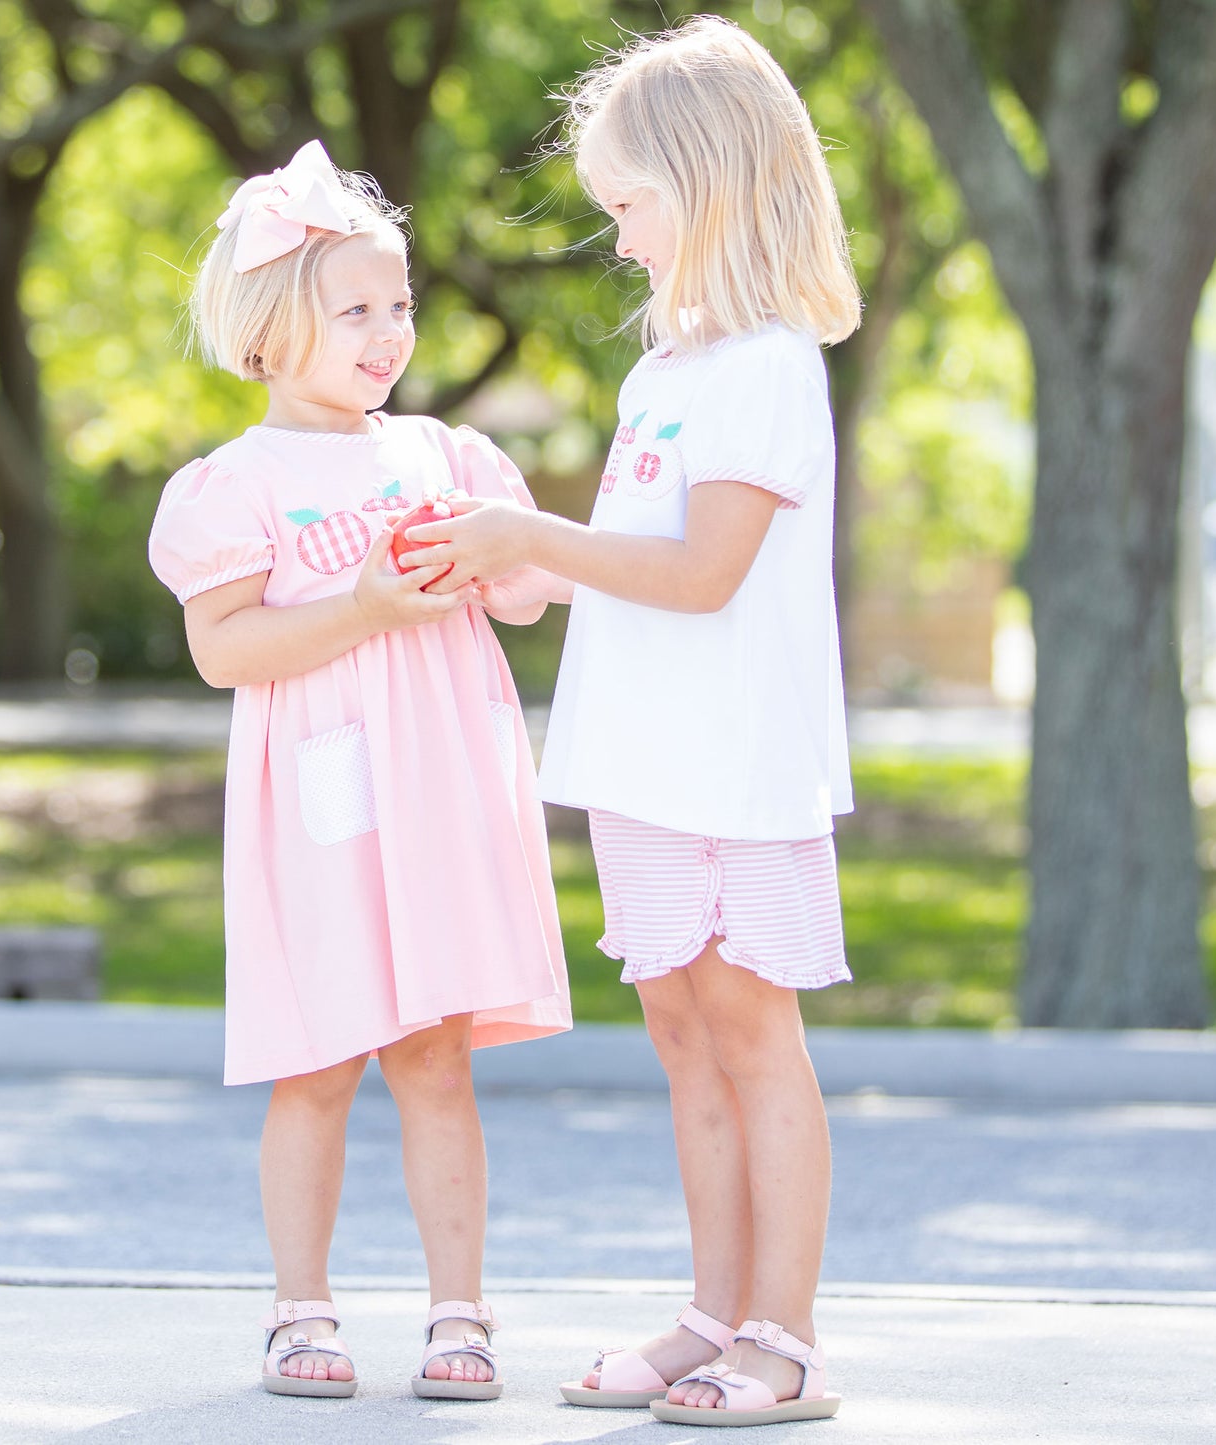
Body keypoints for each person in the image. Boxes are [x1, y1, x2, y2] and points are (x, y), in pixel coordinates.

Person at [398, 16, 859, 1428]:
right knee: (678, 1029)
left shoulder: (770, 368)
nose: (622, 240)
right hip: (640, 764)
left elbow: (703, 576)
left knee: (750, 1030)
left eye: (630, 205)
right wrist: (508, 568)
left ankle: (781, 1339)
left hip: (738, 766)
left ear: (707, 180)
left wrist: (533, 527)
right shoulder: (660, 376)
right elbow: (628, 561)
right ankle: (714, 1313)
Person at [147, 139, 571, 1403]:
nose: (388, 331)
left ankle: (460, 1311)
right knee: (318, 1055)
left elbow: (525, 599)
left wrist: (502, 562)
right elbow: (226, 650)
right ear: (271, 336)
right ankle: (300, 1307)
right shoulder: (240, 484)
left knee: (436, 1049)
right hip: (322, 804)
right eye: (357, 310)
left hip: (437, 788)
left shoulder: (445, 454)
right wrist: (369, 605)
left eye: (400, 305)